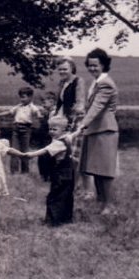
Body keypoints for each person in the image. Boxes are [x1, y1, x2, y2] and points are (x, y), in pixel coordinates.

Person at [69, 48, 119, 215]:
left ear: (103, 65)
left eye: (95, 65)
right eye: (89, 65)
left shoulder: (105, 83)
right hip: (96, 130)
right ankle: (102, 203)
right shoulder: (96, 82)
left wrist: (82, 125)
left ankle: (109, 206)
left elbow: (96, 108)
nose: (92, 68)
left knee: (105, 170)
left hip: (105, 130)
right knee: (96, 169)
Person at [24, 116, 75, 226]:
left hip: (60, 174)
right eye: (50, 129)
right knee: (66, 196)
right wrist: (80, 130)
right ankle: (66, 218)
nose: (51, 132)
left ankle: (53, 220)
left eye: (54, 129)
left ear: (63, 130)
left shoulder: (58, 143)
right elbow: (73, 135)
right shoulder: (67, 138)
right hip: (69, 174)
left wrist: (30, 154)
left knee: (54, 196)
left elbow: (45, 150)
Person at [54, 56, 93, 199]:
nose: (62, 71)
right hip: (66, 121)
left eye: (65, 69)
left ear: (72, 68)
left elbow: (80, 103)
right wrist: (56, 117)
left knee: (78, 157)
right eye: (60, 69)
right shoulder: (62, 83)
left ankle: (88, 190)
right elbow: (60, 103)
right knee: (67, 156)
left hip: (77, 122)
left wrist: (72, 121)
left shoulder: (78, 81)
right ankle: (73, 187)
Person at [0, 87, 44, 174]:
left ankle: (25, 171)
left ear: (30, 97)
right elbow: (9, 112)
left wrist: (39, 116)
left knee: (24, 150)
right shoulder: (18, 106)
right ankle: (14, 171)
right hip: (16, 129)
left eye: (24, 97)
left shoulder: (32, 107)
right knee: (14, 150)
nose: (21, 99)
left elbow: (37, 113)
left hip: (26, 129)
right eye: (20, 97)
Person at [36, 91, 58, 182]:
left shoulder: (54, 112)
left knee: (48, 155)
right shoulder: (46, 112)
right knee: (42, 155)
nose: (42, 105)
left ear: (52, 101)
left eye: (44, 102)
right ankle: (44, 174)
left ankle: (48, 174)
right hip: (43, 136)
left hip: (49, 137)